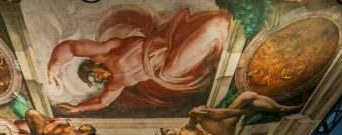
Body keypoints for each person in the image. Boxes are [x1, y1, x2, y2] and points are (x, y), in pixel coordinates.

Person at [46, 7, 230, 114]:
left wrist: (54, 66)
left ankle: (215, 29)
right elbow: (102, 102)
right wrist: (79, 109)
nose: (98, 79)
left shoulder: (106, 52)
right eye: (94, 82)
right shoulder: (116, 84)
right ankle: (213, 33)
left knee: (171, 68)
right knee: (169, 72)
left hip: (162, 46)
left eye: (93, 76)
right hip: (165, 69)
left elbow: (71, 47)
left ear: (93, 65)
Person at [158, 91, 302, 135]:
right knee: (200, 115)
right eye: (166, 132)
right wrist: (197, 113)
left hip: (223, 124)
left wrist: (194, 111)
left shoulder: (185, 129)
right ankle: (244, 112)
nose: (170, 130)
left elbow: (192, 118)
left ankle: (280, 109)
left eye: (167, 129)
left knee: (247, 96)